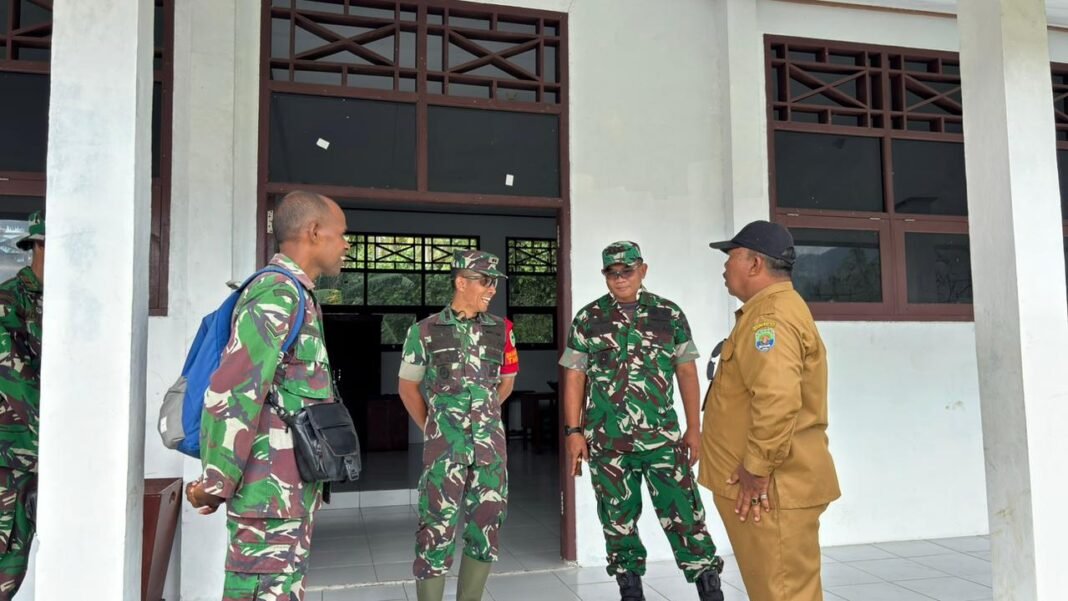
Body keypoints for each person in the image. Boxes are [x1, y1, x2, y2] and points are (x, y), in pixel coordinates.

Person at [185, 190, 350, 601]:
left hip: (286, 493)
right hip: (267, 497)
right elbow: (234, 390)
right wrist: (216, 481)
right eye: (342, 234)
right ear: (314, 232)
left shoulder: (299, 294)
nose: (347, 244)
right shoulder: (277, 292)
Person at [560, 241, 724, 601]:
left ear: (642, 271)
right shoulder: (589, 319)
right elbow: (575, 377)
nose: (620, 279)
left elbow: (686, 371)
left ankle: (709, 589)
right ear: (604, 276)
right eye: (612, 273)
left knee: (686, 516)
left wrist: (694, 428)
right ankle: (630, 591)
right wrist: (573, 432)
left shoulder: (669, 314)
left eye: (627, 271)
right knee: (617, 522)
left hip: (663, 440)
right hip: (608, 443)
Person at [700, 220, 840, 601]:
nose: (725, 266)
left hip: (770, 490)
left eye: (731, 256)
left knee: (783, 593)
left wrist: (757, 470)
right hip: (767, 489)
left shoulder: (770, 318)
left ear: (755, 264)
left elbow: (777, 400)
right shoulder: (768, 311)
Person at [397, 250, 519, 601]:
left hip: (489, 448)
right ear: (461, 282)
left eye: (495, 282)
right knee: (436, 527)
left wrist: (484, 415)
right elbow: (408, 387)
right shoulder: (424, 331)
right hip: (444, 450)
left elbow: (507, 382)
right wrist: (434, 427)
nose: (492, 289)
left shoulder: (502, 330)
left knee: (487, 523)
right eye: (485, 281)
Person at [0, 211, 44, 598]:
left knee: (18, 556)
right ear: (37, 247)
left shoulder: (63, 302)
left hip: (35, 457)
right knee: (6, 557)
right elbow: (16, 381)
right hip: (11, 455)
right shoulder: (8, 302)